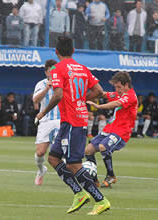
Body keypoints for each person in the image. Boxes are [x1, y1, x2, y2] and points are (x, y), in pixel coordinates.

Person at [35, 36, 110, 215]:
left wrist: (43, 112)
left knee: (74, 164)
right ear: (73, 51)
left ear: (56, 51)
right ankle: (79, 194)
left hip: (73, 121)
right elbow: (99, 91)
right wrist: (81, 99)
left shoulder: (56, 69)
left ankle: (100, 199)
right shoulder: (82, 68)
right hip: (71, 121)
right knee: (53, 157)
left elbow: (58, 94)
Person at [84, 71, 137, 188]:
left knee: (103, 146)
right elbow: (103, 94)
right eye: (115, 87)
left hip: (122, 131)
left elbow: (116, 103)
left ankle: (111, 176)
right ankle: (94, 180)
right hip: (111, 128)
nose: (117, 89)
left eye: (119, 87)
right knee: (88, 150)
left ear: (127, 85)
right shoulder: (119, 93)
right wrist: (84, 94)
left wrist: (99, 106)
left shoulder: (130, 96)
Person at [32, 59, 60, 186]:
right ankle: (41, 170)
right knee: (40, 152)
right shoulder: (41, 84)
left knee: (61, 152)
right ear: (46, 72)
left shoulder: (63, 83)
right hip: (45, 121)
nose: (53, 73)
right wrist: (47, 88)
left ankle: (72, 177)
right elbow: (35, 100)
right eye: (50, 71)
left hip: (61, 120)